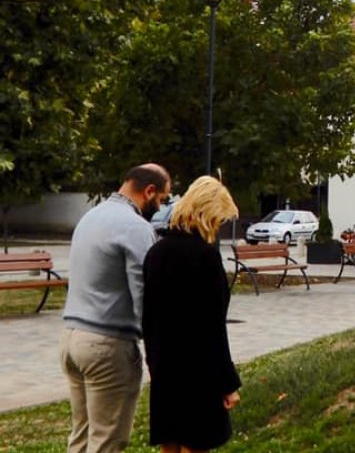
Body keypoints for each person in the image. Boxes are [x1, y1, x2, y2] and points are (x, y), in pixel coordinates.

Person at [60, 162, 173, 453]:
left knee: (81, 438)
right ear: (149, 191)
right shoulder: (135, 227)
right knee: (107, 441)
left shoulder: (90, 217)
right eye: (162, 199)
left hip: (72, 339)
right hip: (108, 346)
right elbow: (145, 293)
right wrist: (158, 348)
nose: (161, 207)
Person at [143, 175, 241, 453]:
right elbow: (212, 328)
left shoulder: (156, 252)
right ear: (208, 214)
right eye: (220, 219)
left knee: (170, 443)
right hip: (200, 371)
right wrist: (227, 384)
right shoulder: (205, 257)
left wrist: (154, 363)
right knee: (196, 443)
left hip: (165, 367)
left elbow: (148, 317)